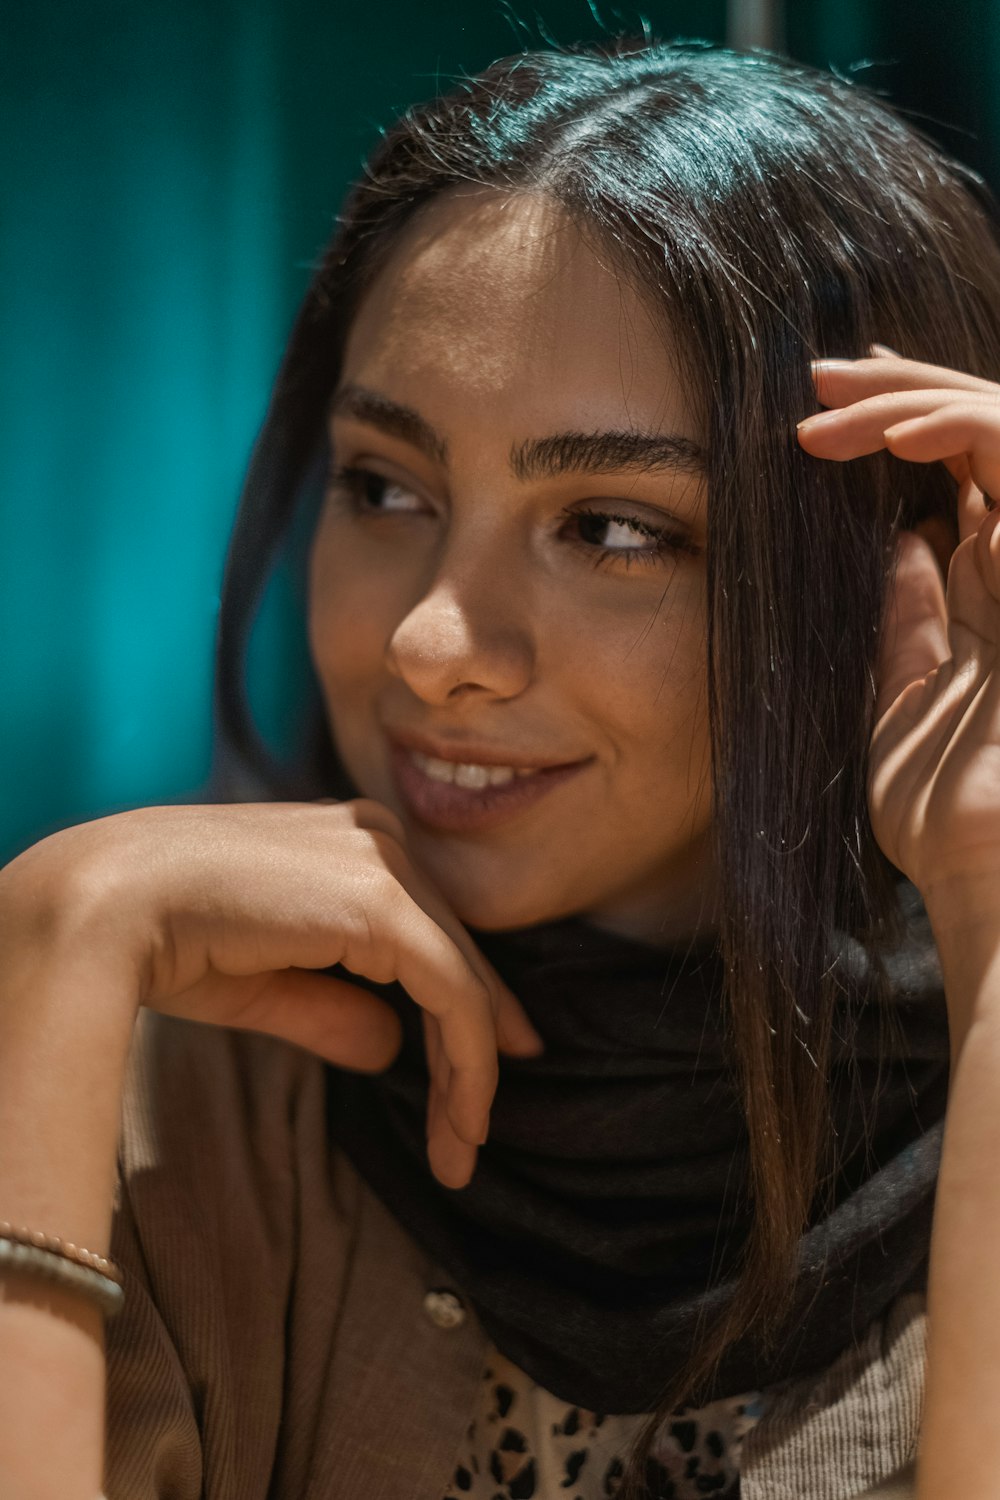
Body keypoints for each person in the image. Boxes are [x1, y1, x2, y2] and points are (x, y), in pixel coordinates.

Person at [3, 34, 1000, 1500]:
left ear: (892, 582)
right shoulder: (157, 1079)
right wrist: (48, 953)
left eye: (612, 526)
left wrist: (990, 907)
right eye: (386, 487)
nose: (427, 642)